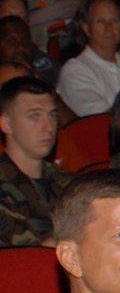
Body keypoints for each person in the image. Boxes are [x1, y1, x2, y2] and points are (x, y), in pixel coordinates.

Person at [0, 76, 72, 246]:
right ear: (6, 124)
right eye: (34, 116)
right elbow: (25, 259)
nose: (48, 127)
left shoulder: (70, 183)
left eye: (52, 116)